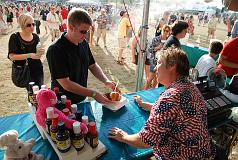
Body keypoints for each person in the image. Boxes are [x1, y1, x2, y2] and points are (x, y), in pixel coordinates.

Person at [108, 47, 216, 159]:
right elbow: (175, 112)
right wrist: (143, 104)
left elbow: (145, 140)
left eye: (159, 62)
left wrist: (123, 136)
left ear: (171, 66)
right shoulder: (191, 87)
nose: (155, 68)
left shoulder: (170, 97)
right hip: (204, 153)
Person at [46, 8, 117, 105]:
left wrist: (106, 80)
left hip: (82, 98)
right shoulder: (55, 49)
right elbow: (66, 84)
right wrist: (93, 94)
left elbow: (92, 65)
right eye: (83, 31)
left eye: (87, 31)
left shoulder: (83, 43)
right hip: (63, 102)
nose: (86, 35)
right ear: (71, 27)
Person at [8, 13, 45, 88]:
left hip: (37, 68)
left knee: (40, 90)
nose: (32, 27)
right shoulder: (15, 37)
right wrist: (30, 55)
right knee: (31, 93)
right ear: (22, 25)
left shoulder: (35, 37)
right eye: (28, 25)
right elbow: (12, 56)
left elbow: (37, 53)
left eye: (33, 24)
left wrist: (40, 52)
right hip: (24, 70)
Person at [145, 25, 171, 90]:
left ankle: (153, 90)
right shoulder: (155, 39)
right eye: (164, 30)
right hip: (154, 61)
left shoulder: (169, 41)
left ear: (169, 32)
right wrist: (157, 48)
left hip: (163, 62)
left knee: (157, 78)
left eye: (167, 31)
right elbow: (149, 49)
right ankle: (144, 91)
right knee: (150, 78)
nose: (165, 32)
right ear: (161, 30)